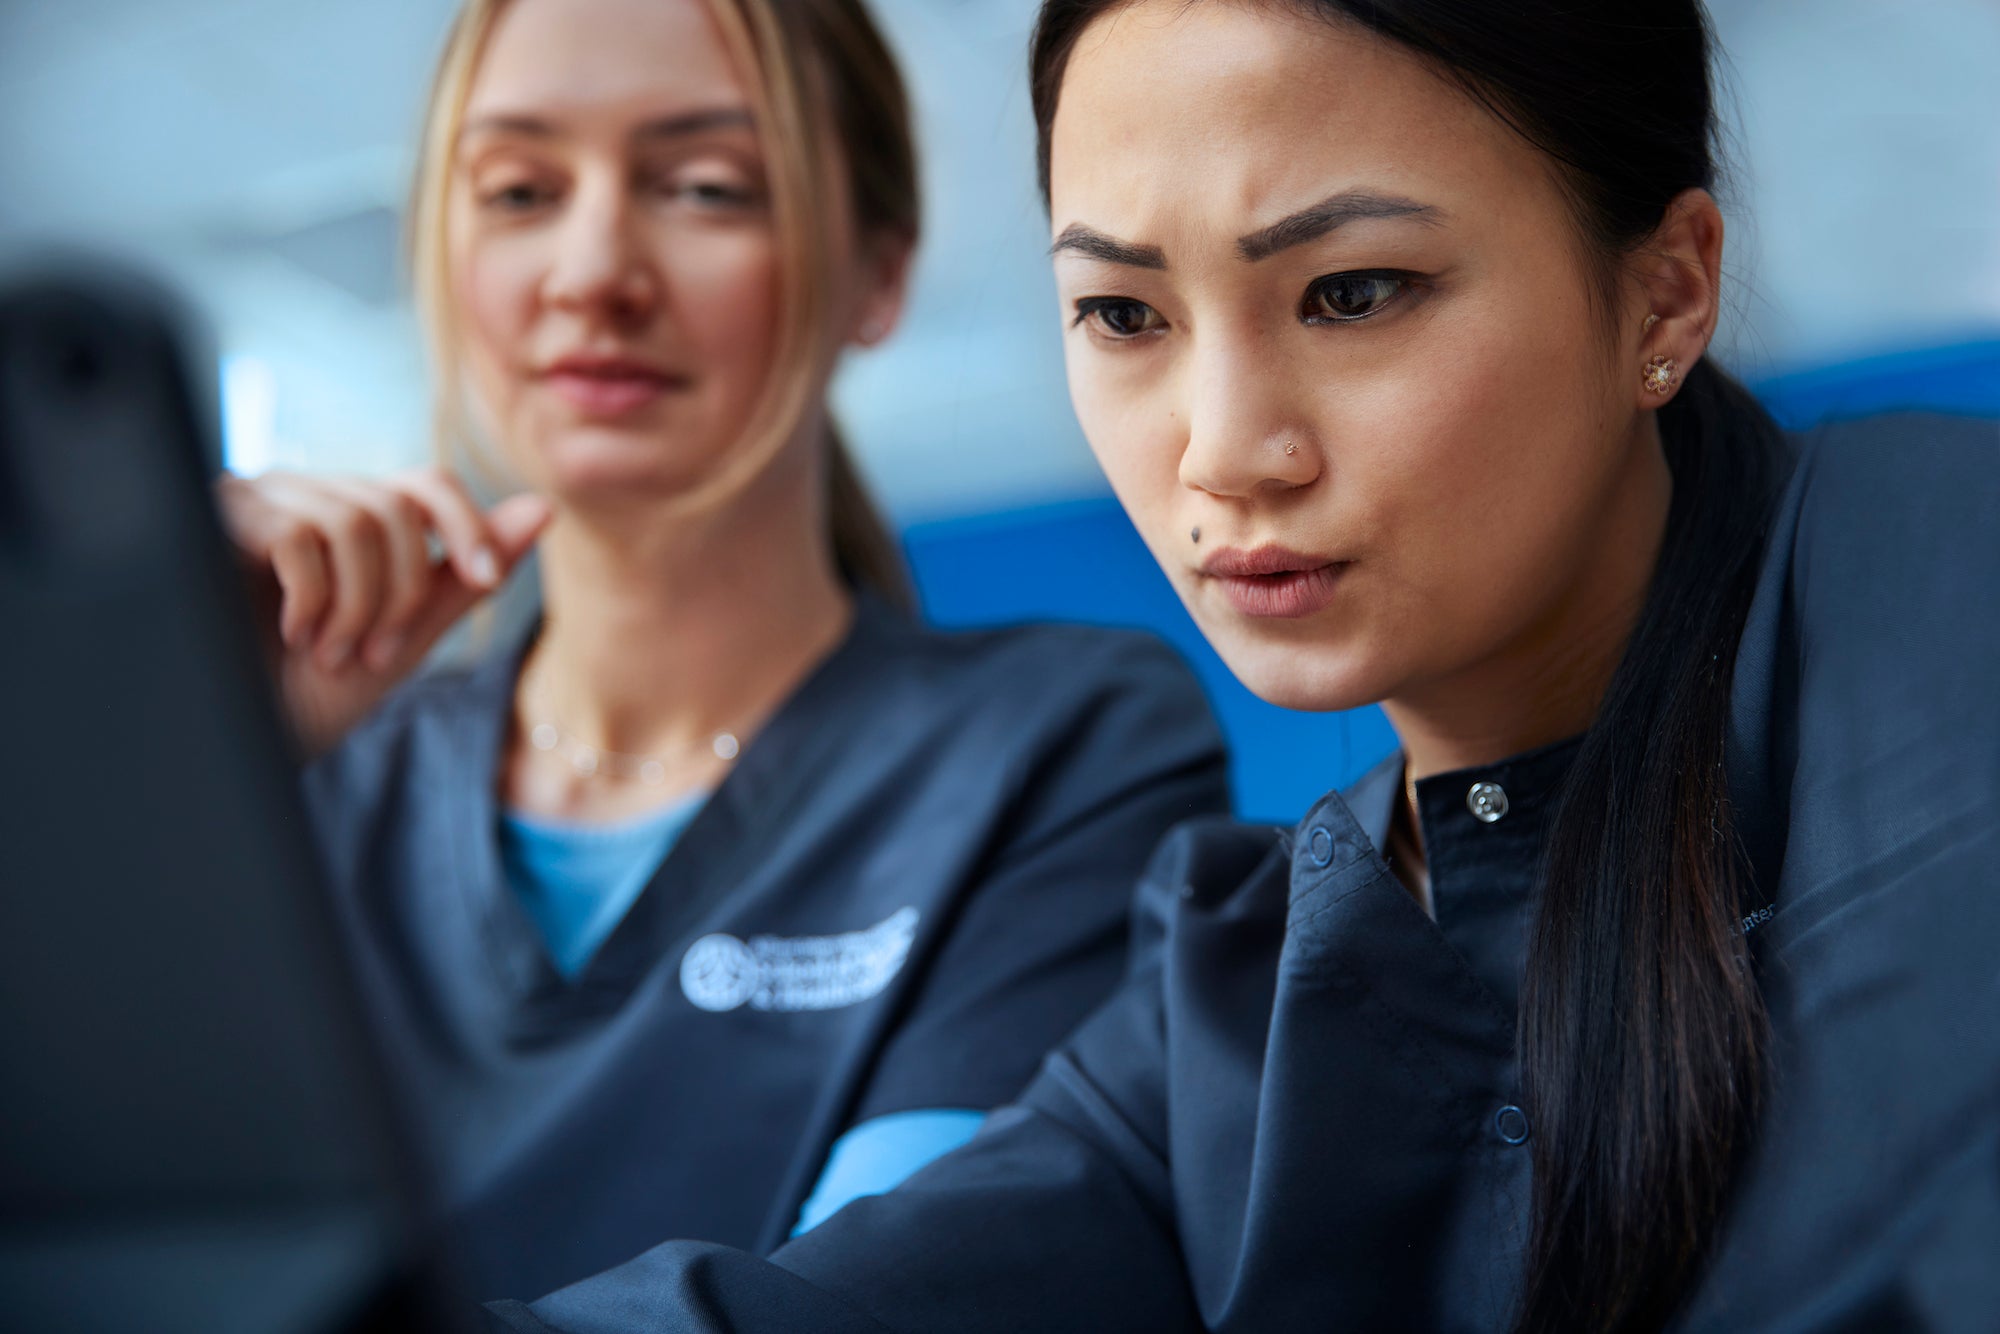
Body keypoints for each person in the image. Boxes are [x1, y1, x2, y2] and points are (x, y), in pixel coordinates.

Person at [480, 1, 2000, 1330]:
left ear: (1664, 291)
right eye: (1124, 314)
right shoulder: (1229, 1006)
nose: (1221, 450)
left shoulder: (1946, 589)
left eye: (1351, 291)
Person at [214, 0, 1229, 1301]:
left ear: (878, 270)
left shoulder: (1060, 742)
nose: (590, 273)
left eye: (704, 187)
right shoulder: (314, 776)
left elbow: (882, 1298)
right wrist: (176, 773)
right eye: (520, 190)